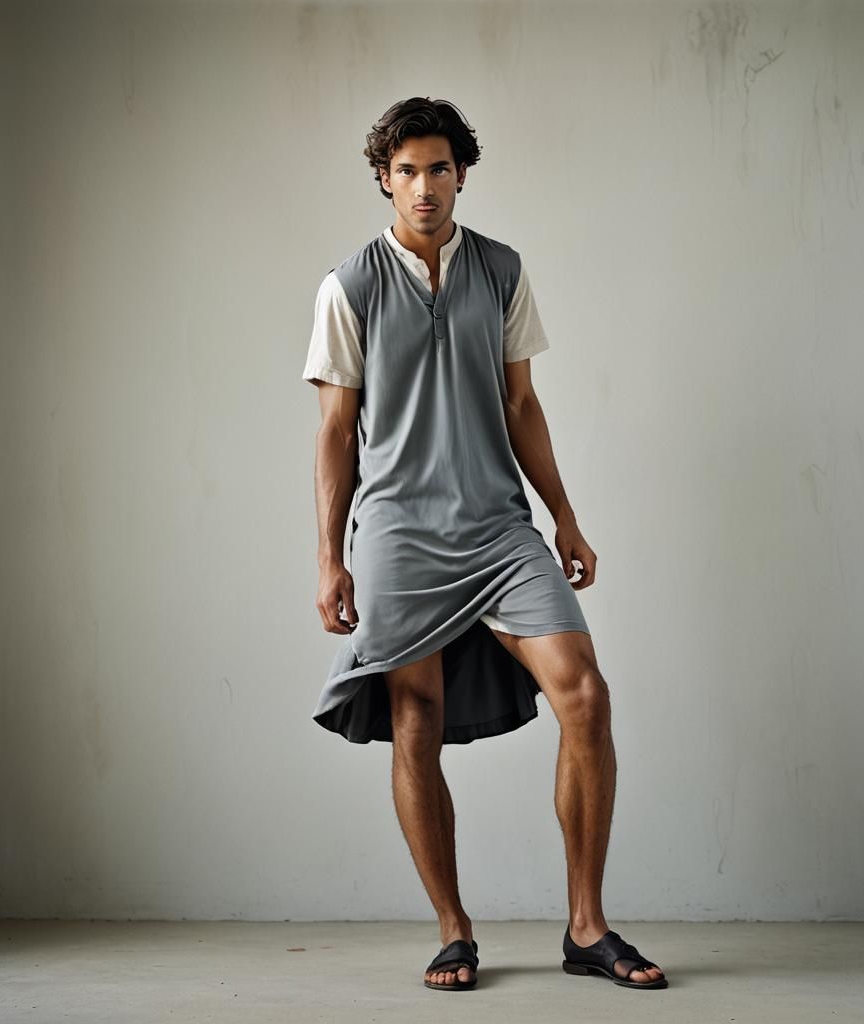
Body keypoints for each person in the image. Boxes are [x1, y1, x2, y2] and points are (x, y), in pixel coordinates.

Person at [302, 96, 667, 992]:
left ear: (460, 173)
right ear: (384, 180)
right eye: (406, 171)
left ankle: (587, 927)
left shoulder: (500, 270)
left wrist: (565, 516)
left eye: (438, 168)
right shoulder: (347, 286)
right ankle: (454, 931)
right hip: (397, 532)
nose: (423, 188)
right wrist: (328, 555)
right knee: (414, 722)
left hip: (500, 526)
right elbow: (335, 432)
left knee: (584, 695)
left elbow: (521, 405)